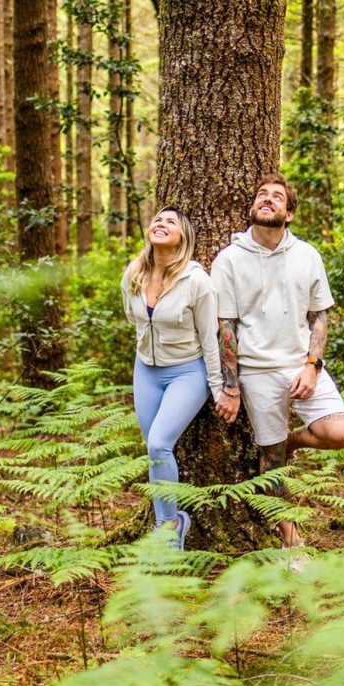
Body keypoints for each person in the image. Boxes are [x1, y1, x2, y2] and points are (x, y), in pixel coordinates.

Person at [211, 174, 344, 551]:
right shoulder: (229, 259)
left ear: (288, 214)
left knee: (339, 434)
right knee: (270, 463)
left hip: (302, 365)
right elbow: (225, 325)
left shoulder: (307, 255)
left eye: (277, 197)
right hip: (257, 372)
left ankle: (289, 443)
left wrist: (311, 365)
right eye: (261, 195)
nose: (267, 200)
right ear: (253, 208)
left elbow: (319, 316)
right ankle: (292, 542)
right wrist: (231, 385)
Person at [122, 206, 224, 550]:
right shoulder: (133, 274)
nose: (160, 223)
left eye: (171, 221)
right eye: (157, 219)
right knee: (154, 452)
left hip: (186, 371)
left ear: (183, 238)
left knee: (158, 443)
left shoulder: (197, 282)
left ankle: (168, 528)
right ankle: (166, 521)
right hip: (146, 371)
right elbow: (135, 322)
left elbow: (210, 339)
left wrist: (220, 389)